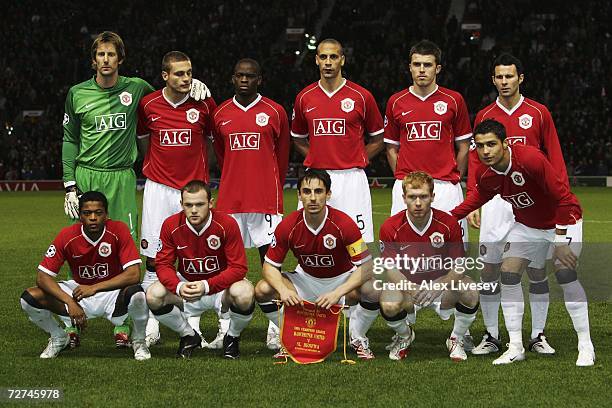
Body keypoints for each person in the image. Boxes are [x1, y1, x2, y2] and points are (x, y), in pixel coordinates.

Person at [61, 31, 210, 346]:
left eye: (111, 55)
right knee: (81, 249)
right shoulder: (76, 93)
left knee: (127, 252)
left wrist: (196, 88)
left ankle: (124, 322)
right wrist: (69, 184)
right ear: (93, 59)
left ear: (120, 59)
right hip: (87, 177)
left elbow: (167, 99)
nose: (105, 60)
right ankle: (72, 320)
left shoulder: (137, 89)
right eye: (100, 55)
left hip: (122, 178)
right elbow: (70, 139)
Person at [452, 119, 595, 366]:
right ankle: (516, 346)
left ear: (505, 143)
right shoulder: (488, 176)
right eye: (481, 146)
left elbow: (563, 198)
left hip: (565, 220)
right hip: (528, 227)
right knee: (508, 272)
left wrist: (560, 241)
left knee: (564, 274)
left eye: (491, 144)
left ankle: (585, 344)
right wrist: (445, 218)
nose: (485, 151)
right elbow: (475, 200)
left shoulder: (530, 159)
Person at [467, 54, 568, 356]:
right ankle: (491, 335)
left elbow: (556, 158)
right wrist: (474, 198)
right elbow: (475, 161)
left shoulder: (538, 113)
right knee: (489, 270)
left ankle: (537, 335)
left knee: (536, 271)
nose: (504, 82)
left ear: (520, 78)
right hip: (496, 202)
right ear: (493, 80)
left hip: (532, 202)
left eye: (509, 76)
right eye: (499, 77)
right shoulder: (485, 115)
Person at [136, 51, 217, 348]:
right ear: (165, 76)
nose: (186, 79)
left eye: (190, 73)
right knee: (155, 257)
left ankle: (197, 322)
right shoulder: (148, 105)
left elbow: (211, 141)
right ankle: (151, 322)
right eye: (179, 73)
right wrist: (160, 168)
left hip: (193, 191)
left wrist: (197, 176)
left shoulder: (204, 103)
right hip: (159, 189)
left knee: (196, 254)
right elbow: (144, 141)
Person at [357, 171, 478, 361]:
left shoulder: (448, 223)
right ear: (404, 198)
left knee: (470, 290)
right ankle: (405, 336)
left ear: (432, 197)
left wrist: (439, 284)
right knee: (388, 302)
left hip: (441, 289)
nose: (418, 202)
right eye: (412, 197)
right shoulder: (390, 226)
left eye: (423, 196)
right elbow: (390, 268)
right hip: (408, 289)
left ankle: (456, 339)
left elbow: (460, 265)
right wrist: (411, 288)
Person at [254, 169, 374, 359]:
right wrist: (283, 290)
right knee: (263, 289)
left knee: (373, 287)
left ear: (328, 194)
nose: (312, 198)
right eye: (307, 192)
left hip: (341, 281)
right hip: (306, 280)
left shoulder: (344, 223)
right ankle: (289, 334)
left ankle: (357, 336)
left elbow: (367, 267)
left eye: (318, 191)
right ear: (299, 195)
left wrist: (337, 292)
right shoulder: (288, 225)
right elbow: (269, 266)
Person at [212, 58, 289, 350]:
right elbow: (221, 156)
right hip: (231, 201)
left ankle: (275, 328)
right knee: (227, 268)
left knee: (272, 266)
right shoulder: (220, 113)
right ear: (233, 78)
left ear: (260, 79)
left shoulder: (275, 111)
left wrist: (271, 187)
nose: (245, 79)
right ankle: (226, 328)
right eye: (240, 75)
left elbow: (281, 156)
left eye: (251, 76)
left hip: (266, 200)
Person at [19, 191, 150, 360]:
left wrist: (94, 288)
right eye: (87, 213)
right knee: (29, 298)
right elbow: (42, 277)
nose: (93, 217)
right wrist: (69, 302)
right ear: (80, 216)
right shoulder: (67, 236)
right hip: (78, 294)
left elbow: (133, 275)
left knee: (138, 295)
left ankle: (139, 341)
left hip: (112, 294)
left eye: (98, 213)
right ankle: (59, 337)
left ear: (106, 215)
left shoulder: (119, 230)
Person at [146, 180, 255, 359]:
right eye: (188, 205)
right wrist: (178, 287)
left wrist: (206, 285)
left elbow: (239, 267)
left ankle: (232, 337)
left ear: (210, 203)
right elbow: (163, 264)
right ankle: (188, 335)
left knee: (244, 293)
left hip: (220, 288)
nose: (194, 210)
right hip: (187, 287)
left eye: (199, 204)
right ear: (181, 204)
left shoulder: (226, 224)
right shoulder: (170, 225)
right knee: (153, 294)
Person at [291, 38, 384, 244]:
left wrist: (356, 157)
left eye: (333, 57)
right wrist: (317, 158)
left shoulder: (362, 96)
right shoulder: (304, 97)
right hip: (316, 178)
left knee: (357, 242)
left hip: (352, 179)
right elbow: (298, 139)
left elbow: (378, 138)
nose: (328, 62)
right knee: (310, 240)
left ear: (342, 60)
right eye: (323, 57)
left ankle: (357, 277)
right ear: (316, 60)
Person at [384, 40, 471, 243]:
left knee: (454, 252)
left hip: (445, 186)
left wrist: (453, 176)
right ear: (410, 67)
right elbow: (390, 147)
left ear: (437, 68)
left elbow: (464, 146)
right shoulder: (396, 101)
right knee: (402, 252)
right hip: (407, 187)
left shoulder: (454, 100)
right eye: (417, 64)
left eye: (428, 64)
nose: (421, 70)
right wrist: (405, 180)